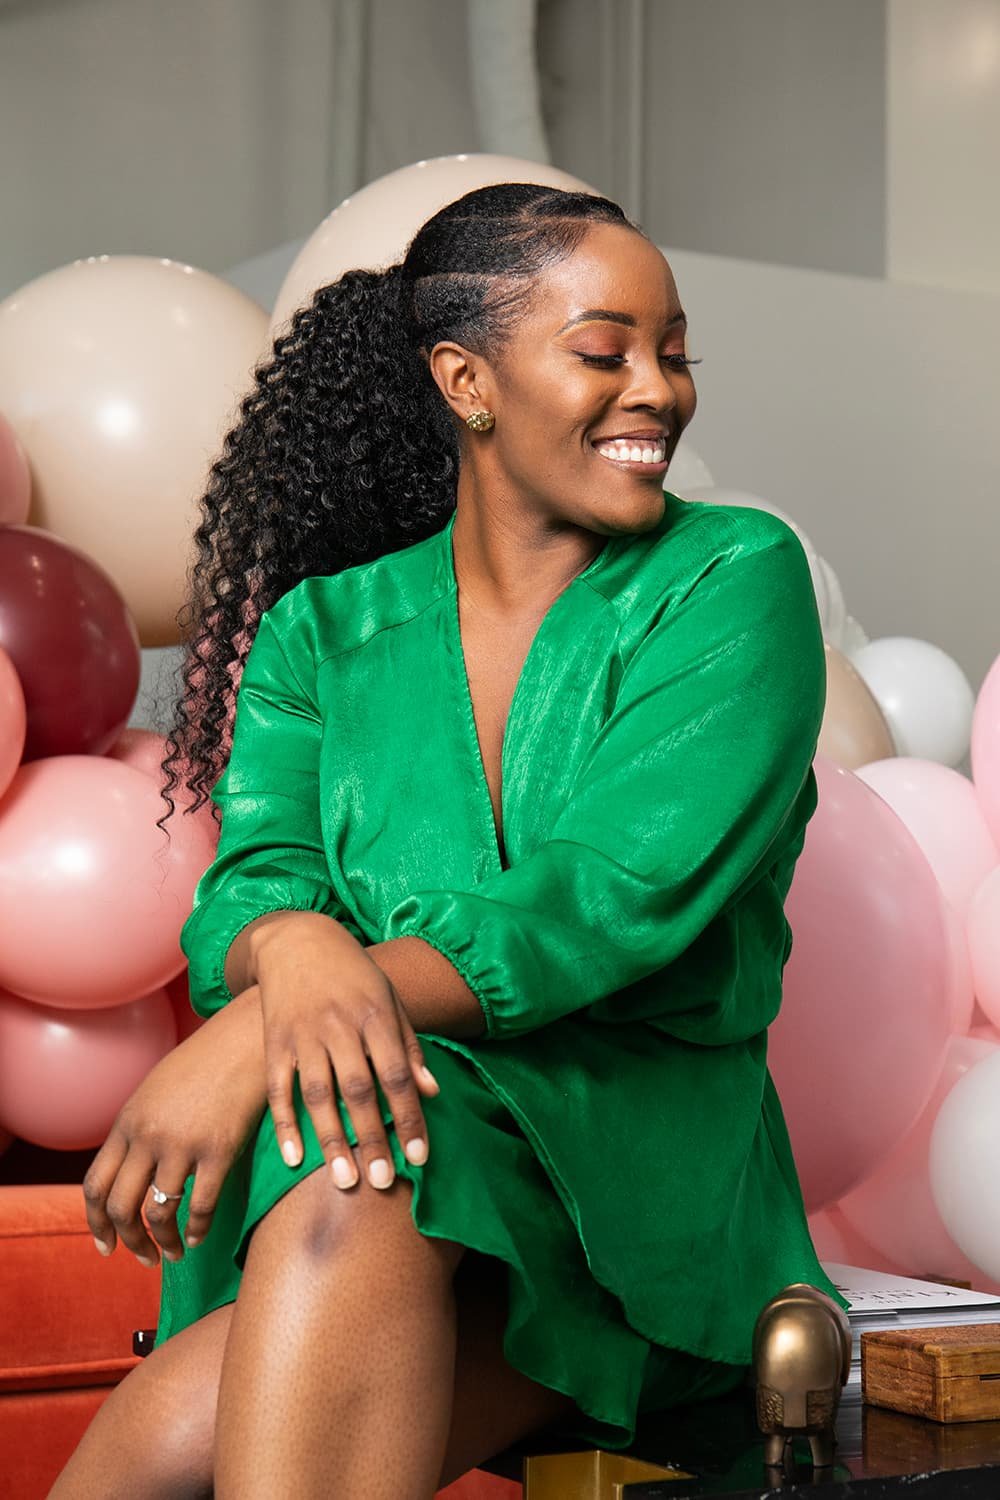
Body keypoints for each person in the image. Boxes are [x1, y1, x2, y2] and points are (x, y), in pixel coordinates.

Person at [52, 183, 846, 1500]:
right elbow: (254, 879)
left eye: (675, 352)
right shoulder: (322, 629)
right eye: (605, 352)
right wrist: (297, 951)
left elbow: (600, 899)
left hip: (637, 1180)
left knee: (346, 1168)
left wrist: (268, 1027)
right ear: (467, 381)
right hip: (395, 1154)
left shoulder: (732, 578)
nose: (658, 390)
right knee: (190, 1401)